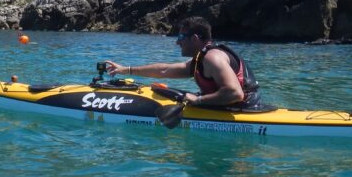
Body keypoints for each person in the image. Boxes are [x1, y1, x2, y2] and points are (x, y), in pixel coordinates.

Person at [104, 16, 261, 110]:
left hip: (244, 111)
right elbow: (164, 70)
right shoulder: (200, 59)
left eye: (180, 38)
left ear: (194, 39)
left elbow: (235, 93)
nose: (177, 43)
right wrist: (126, 69)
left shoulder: (213, 58)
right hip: (234, 107)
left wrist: (198, 100)